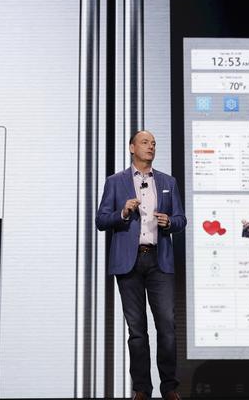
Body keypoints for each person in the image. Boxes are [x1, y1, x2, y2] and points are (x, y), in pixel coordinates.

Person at [96, 130, 187, 400]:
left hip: (159, 260)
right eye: (145, 143)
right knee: (137, 331)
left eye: (154, 143)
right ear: (132, 148)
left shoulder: (168, 181)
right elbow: (101, 221)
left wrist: (169, 222)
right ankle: (141, 390)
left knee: (167, 327)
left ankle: (169, 387)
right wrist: (123, 212)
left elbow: (181, 219)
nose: (151, 147)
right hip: (129, 262)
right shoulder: (115, 182)